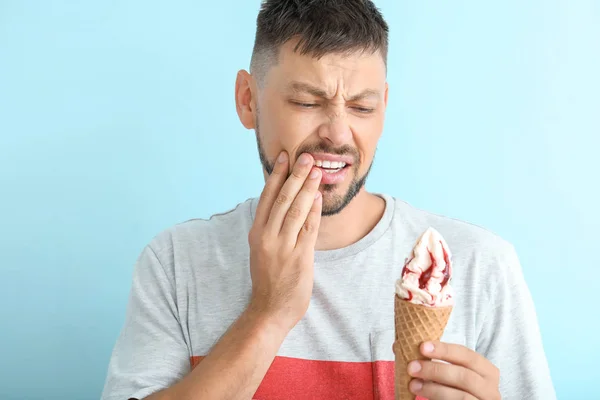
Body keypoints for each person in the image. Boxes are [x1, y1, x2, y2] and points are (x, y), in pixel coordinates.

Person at [101, 1, 556, 399]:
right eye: (306, 102)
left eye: (362, 107)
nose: (339, 134)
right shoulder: (177, 264)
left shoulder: (479, 265)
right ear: (247, 100)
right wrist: (268, 315)